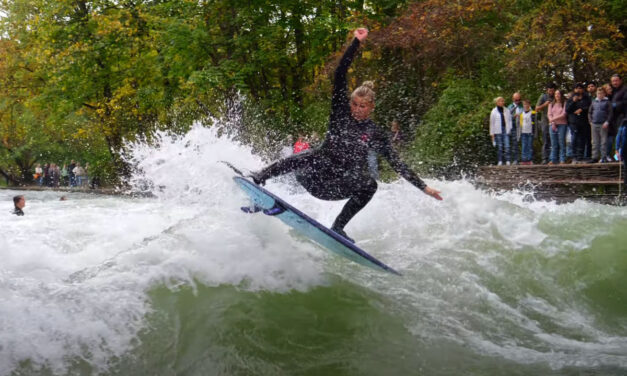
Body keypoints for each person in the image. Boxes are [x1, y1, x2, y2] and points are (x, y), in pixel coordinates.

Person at [249, 28, 442, 242]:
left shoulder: (375, 133)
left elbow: (397, 163)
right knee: (309, 155)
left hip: (335, 186)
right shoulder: (340, 112)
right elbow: (340, 72)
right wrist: (356, 42)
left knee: (370, 184)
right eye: (354, 104)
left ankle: (338, 227)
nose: (357, 109)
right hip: (312, 175)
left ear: (371, 107)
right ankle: (259, 178)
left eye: (363, 106)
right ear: (349, 103)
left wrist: (424, 187)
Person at [566, 83, 591, 163]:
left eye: (580, 88)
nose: (578, 90)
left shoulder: (586, 98)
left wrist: (582, 109)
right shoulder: (570, 99)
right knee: (574, 139)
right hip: (574, 122)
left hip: (583, 121)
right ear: (574, 89)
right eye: (577, 88)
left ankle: (581, 156)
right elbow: (567, 110)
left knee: (582, 139)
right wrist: (573, 101)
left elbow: (589, 107)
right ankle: (574, 156)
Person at [588, 87, 613, 162]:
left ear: (604, 94)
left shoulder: (607, 102)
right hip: (594, 123)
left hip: (603, 124)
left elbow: (610, 113)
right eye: (598, 93)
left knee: (603, 141)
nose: (599, 95)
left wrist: (607, 121)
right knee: (594, 142)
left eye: (601, 93)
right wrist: (590, 121)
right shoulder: (593, 102)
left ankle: (603, 157)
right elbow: (590, 112)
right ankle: (595, 157)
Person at [536, 83, 556, 164]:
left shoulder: (557, 96)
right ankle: (544, 158)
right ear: (547, 90)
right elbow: (536, 108)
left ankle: (553, 158)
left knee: (554, 141)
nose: (551, 91)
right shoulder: (543, 97)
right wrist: (544, 104)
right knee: (545, 140)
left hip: (555, 121)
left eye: (552, 90)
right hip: (545, 121)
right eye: (549, 90)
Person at [607, 74, 626, 160]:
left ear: (620, 81)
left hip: (622, 117)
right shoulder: (612, 91)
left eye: (616, 80)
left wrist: (615, 105)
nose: (615, 83)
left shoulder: (624, 89)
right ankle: (616, 156)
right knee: (614, 137)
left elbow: (625, 102)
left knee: (621, 136)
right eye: (613, 81)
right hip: (613, 118)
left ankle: (621, 156)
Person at [489, 97, 512, 166]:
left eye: (502, 101)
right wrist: (492, 135)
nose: (502, 102)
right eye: (500, 101)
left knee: (507, 145)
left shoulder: (507, 110)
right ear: (497, 103)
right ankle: (500, 160)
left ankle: (508, 160)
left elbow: (510, 120)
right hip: (497, 130)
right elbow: (492, 124)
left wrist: (510, 128)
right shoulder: (493, 111)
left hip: (505, 129)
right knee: (500, 147)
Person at [548, 90, 568, 164]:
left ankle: (562, 159)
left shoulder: (564, 103)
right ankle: (553, 159)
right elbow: (549, 114)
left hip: (562, 124)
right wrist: (551, 121)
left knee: (561, 142)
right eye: (556, 94)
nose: (557, 95)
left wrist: (553, 119)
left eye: (558, 94)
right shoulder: (551, 104)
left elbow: (564, 114)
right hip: (552, 125)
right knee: (553, 143)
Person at [518, 99, 536, 165]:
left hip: (530, 132)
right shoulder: (521, 114)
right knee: (524, 146)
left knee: (530, 146)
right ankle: (524, 159)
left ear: (529, 105)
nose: (525, 106)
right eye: (524, 104)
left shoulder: (533, 113)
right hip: (523, 132)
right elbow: (519, 124)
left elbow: (535, 123)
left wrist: (534, 132)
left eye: (527, 104)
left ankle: (529, 159)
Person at [507, 92, 523, 165]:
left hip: (522, 126)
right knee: (514, 143)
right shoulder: (510, 107)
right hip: (513, 126)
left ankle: (524, 159)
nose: (518, 101)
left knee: (524, 143)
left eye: (519, 99)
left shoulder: (522, 106)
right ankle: (515, 159)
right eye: (516, 100)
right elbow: (507, 117)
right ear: (513, 99)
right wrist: (514, 116)